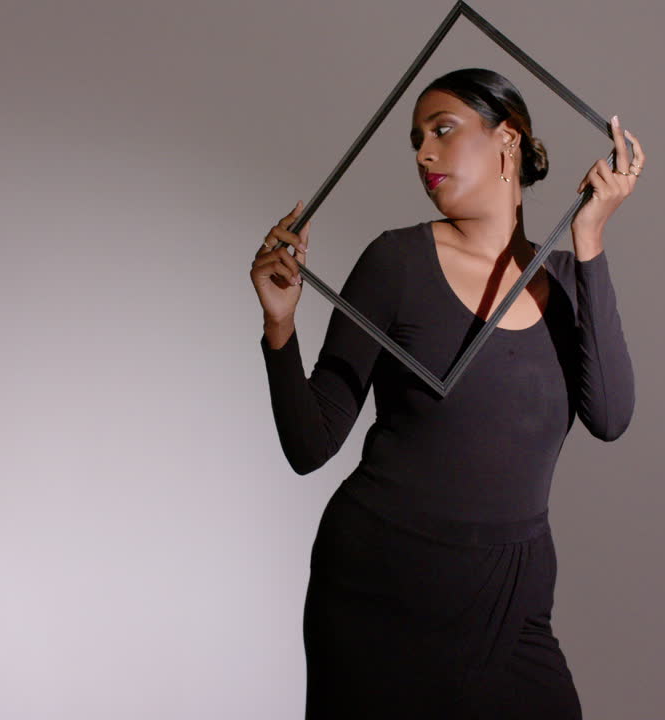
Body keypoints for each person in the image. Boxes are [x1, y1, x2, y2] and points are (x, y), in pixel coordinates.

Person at [249, 67, 644, 719]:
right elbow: (310, 442)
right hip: (383, 583)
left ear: (507, 141)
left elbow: (610, 416)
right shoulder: (395, 263)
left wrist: (592, 238)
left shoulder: (571, 279)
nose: (424, 154)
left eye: (443, 130)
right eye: (416, 140)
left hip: (512, 590)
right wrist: (279, 325)